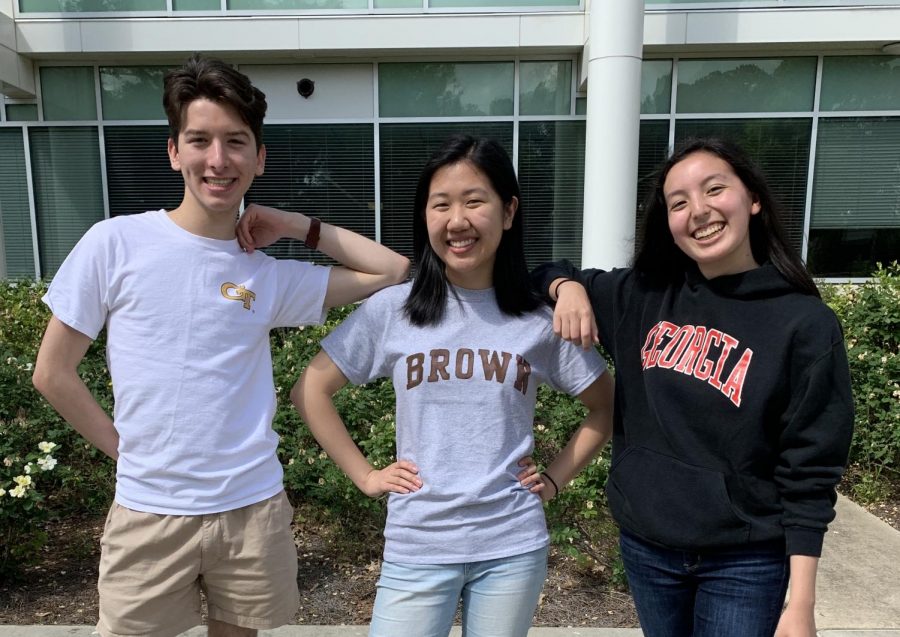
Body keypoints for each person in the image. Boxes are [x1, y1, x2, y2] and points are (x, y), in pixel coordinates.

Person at [31, 54, 409, 637]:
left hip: (251, 508)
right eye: (199, 139)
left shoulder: (266, 273)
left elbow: (391, 271)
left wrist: (290, 224)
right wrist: (126, 454)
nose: (218, 159)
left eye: (236, 142)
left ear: (258, 158)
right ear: (174, 151)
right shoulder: (115, 244)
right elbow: (52, 373)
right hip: (149, 512)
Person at [293, 134, 615, 637]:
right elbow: (309, 390)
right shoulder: (393, 311)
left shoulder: (537, 319)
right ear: (425, 217)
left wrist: (553, 479)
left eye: (474, 201)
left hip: (511, 544)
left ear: (508, 212)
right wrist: (365, 475)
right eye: (440, 204)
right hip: (418, 543)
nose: (456, 221)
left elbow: (605, 405)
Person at [533, 137, 854, 637]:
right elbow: (543, 272)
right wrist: (567, 288)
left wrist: (801, 603)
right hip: (647, 547)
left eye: (714, 190)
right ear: (668, 223)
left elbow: (810, 469)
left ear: (753, 200)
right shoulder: (641, 296)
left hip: (744, 561)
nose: (698, 211)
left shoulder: (805, 325)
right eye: (678, 202)